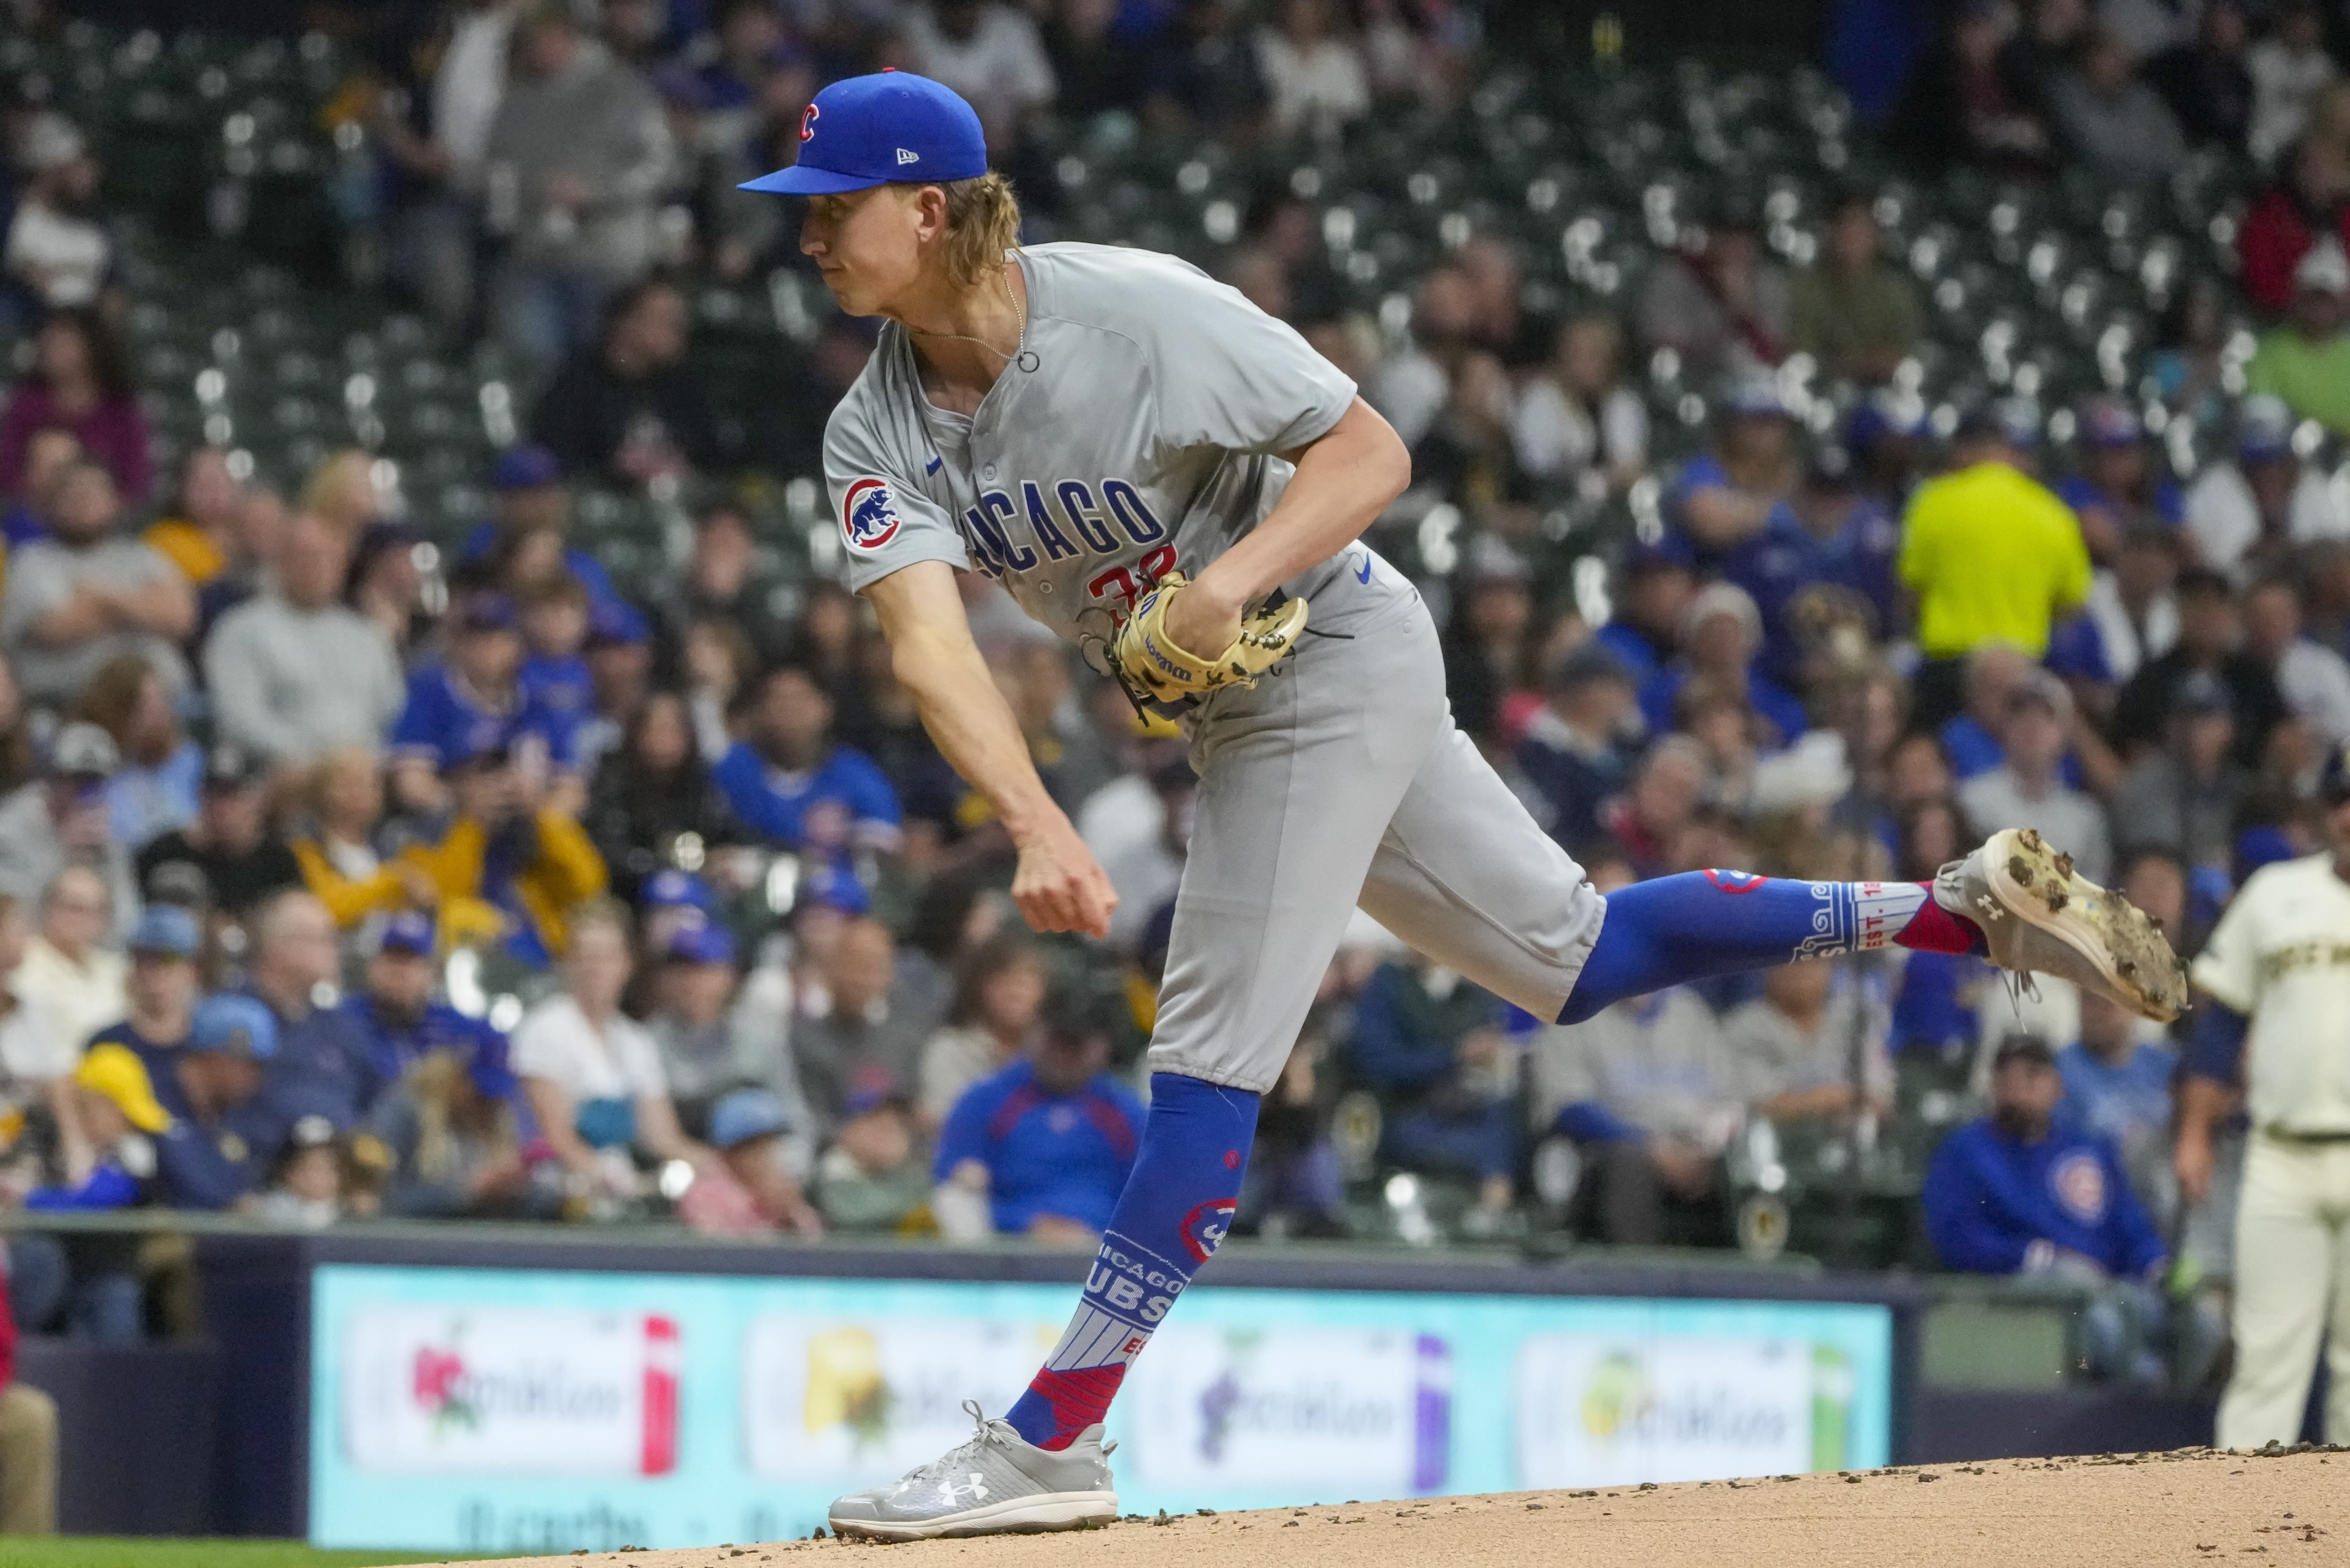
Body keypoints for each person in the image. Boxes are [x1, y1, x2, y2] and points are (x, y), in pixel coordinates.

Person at [740, 71, 2184, 1538]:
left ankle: (1056, 1438)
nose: (806, 237)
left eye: (831, 207)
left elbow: (1370, 451)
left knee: (1207, 1055)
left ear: (932, 210)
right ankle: (1946, 914)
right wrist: (1037, 820)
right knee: (1574, 960)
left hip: (1331, 651)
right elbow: (927, 638)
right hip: (1250, 700)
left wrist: (1223, 582)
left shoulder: (1133, 309)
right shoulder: (875, 428)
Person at [2178, 743, 2350, 1447]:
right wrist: (2193, 1133)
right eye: (2342, 801)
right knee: (2263, 1361)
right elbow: (2220, 1025)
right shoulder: (2275, 890)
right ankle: (2239, 1540)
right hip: (2279, 1154)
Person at [1921, 1033, 2186, 1384]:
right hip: (2024, 1287)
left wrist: (2156, 1264)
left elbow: (2127, 1222)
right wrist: (2039, 1257)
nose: (2018, 1089)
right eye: (2007, 1078)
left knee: (2191, 1322)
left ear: (2057, 1086)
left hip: (2109, 1287)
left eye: (2032, 1076)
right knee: (2108, 1328)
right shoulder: (1967, 1151)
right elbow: (1956, 1235)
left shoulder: (2086, 1149)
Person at [479, 0, 674, 373]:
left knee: (602, 370)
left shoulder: (621, 89)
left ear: (567, 36)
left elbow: (660, 165)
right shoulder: (515, 102)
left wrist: (594, 191)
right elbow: (496, 174)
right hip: (532, 255)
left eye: (546, 38)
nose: (539, 49)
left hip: (606, 257)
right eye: (530, 41)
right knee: (533, 367)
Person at [510, 899, 713, 1202]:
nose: (595, 969)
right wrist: (618, 1182)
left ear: (626, 965)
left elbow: (662, 1137)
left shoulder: (637, 1041)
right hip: (563, 1190)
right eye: (584, 957)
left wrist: (715, 1166)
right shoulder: (544, 1030)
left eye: (606, 957)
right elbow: (556, 1138)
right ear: (567, 963)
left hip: (624, 1184)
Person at [1900, 407, 2090, 727]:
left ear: (1963, 449)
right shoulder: (2054, 513)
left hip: (1948, 667)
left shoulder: (1932, 501)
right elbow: (2073, 605)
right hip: (2023, 665)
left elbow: (1910, 594)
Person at [932, 985, 1143, 1242]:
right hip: (1003, 1245)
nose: (1064, 1055)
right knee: (954, 1199)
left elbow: (1145, 1197)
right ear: (1036, 1033)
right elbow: (954, 1172)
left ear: (1103, 1048)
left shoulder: (1126, 1112)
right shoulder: (987, 1099)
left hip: (1099, 1249)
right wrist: (1024, 1223)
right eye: (1057, 1041)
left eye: (1076, 1046)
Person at [204, 512, 405, 765]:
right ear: (280, 561)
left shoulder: (367, 637)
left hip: (362, 773)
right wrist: (322, 762)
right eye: (306, 557)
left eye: (329, 558)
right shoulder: (240, 630)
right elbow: (240, 722)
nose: (318, 567)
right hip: (277, 775)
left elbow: (391, 714)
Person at [0, 459, 192, 705]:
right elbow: (56, 629)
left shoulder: (144, 556)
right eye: (74, 493)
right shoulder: (32, 562)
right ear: (54, 503)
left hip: (161, 703)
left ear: (115, 501)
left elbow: (180, 618)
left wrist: (102, 599)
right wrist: (141, 606)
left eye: (94, 492)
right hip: (63, 706)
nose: (84, 501)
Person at [530, 276, 721, 485]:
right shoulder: (578, 383)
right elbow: (557, 457)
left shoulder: (681, 385)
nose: (679, 333)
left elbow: (708, 455)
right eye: (668, 322)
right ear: (627, 323)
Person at [710, 663, 901, 866]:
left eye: (799, 700)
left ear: (826, 709)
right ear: (759, 711)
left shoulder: (858, 777)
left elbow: (883, 858)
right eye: (777, 701)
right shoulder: (733, 770)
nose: (789, 711)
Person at [1956, 669, 2112, 884]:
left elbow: (2093, 894)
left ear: (2064, 734)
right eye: (2022, 714)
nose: (2033, 725)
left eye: (2047, 717)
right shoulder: (1970, 802)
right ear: (2005, 727)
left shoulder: (2085, 819)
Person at [2185, 394, 2348, 584]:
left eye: (2277, 459)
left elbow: (2333, 558)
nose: (2269, 471)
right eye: (2257, 462)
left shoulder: (2313, 484)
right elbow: (2206, 567)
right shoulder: (2214, 487)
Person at [135, 746, 304, 920]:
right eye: (211, 792)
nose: (220, 805)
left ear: (257, 800)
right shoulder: (164, 852)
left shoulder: (278, 862)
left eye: (232, 794)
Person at [0, 310, 147, 505]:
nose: (52, 351)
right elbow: (6, 470)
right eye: (49, 343)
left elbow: (135, 482)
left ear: (92, 349)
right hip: (28, 513)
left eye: (64, 344)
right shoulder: (26, 402)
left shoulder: (121, 411)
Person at [2058, 987, 2177, 1222]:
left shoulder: (2165, 1065)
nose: (2095, 1014)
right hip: (2095, 1201)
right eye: (2088, 1003)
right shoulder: (2061, 1072)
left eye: (2106, 1005)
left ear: (2133, 1010)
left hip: (2162, 1196)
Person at [0, 722, 136, 923]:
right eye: (76, 780)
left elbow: (128, 921)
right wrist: (63, 851)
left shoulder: (102, 832)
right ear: (50, 779)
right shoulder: (10, 830)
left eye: (95, 782)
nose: (86, 792)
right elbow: (15, 921)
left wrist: (108, 859)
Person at [1785, 191, 1921, 385]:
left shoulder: (1896, 291)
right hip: (1821, 390)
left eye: (1861, 230)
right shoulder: (1807, 287)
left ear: (1876, 236)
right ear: (1831, 234)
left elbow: (1906, 356)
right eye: (1845, 229)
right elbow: (1802, 355)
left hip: (1887, 394)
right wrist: (1863, 363)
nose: (1852, 239)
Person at [917, 932, 1048, 1130]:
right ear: (981, 987)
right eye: (1006, 981)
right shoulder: (950, 1048)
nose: (1017, 993)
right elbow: (940, 1120)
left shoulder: (1052, 1052)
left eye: (1027, 983)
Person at [2043, 27, 2188, 186]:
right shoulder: (2068, 96)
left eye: (2118, 58)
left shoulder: (2141, 96)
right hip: (2095, 191)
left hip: (2150, 191)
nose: (2116, 66)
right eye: (2105, 58)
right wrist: (2150, 164)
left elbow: (2174, 150)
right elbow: (2100, 150)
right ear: (2087, 62)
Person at [674, 1085, 823, 1237]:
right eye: (753, 1146)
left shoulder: (782, 1186)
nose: (764, 1155)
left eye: (769, 1145)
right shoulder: (705, 1193)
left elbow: (814, 1243)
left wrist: (789, 1214)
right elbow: (716, 1249)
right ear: (729, 1153)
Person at [2246, 240, 2350, 438]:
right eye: (2314, 300)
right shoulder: (2271, 352)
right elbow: (2263, 416)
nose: (2319, 311)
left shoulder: (2347, 352)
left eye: (2327, 302)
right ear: (2299, 301)